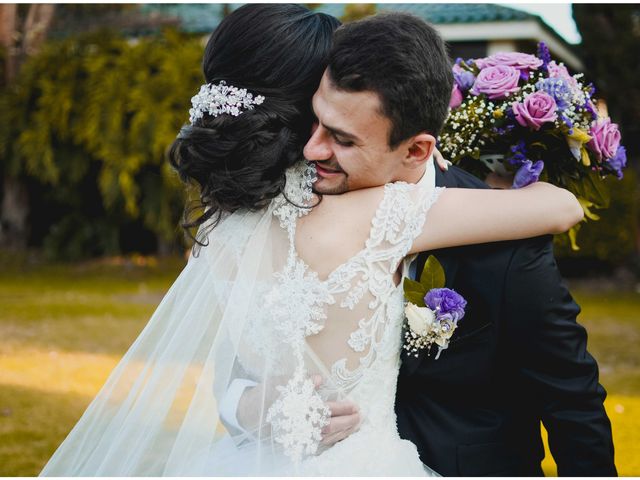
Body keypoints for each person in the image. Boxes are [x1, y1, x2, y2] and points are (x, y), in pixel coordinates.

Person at [39, 5, 585, 476]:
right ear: (304, 108)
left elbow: (230, 385)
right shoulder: (380, 213)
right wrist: (415, 170)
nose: (321, 144)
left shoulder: (215, 236)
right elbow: (561, 207)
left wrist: (264, 409)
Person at [303, 12, 617, 477]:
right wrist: (261, 407)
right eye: (315, 121)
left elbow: (573, 402)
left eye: (343, 140)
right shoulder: (297, 206)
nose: (312, 149)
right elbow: (243, 362)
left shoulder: (507, 242)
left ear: (416, 150)